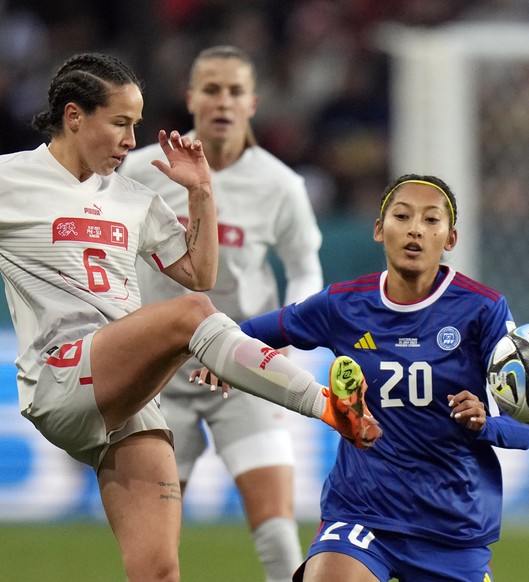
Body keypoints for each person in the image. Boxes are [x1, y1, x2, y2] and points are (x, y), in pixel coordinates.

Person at [0, 52, 381, 582]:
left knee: (158, 570)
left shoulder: (133, 195)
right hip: (63, 374)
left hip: (128, 398)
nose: (132, 140)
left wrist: (201, 192)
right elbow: (197, 301)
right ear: (73, 117)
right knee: (192, 318)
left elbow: (198, 272)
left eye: (136, 125)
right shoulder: (11, 179)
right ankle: (326, 405)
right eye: (120, 124)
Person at [235, 174, 529, 581]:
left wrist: (486, 424)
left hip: (450, 526)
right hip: (362, 514)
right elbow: (250, 334)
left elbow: (525, 429)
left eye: (432, 220)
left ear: (450, 238)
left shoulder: (483, 310)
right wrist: (220, 357)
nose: (416, 228)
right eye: (402, 216)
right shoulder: (343, 304)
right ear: (380, 230)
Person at [119, 45, 322, 580]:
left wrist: (281, 340)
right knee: (153, 552)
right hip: (158, 377)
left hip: (243, 373)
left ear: (253, 102)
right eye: (211, 88)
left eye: (235, 90)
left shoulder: (281, 185)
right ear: (191, 98)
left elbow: (305, 269)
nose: (222, 100)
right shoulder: (142, 172)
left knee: (278, 531)